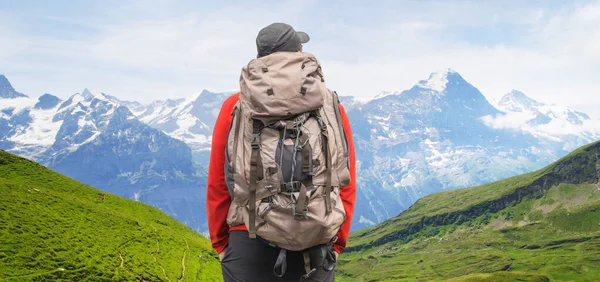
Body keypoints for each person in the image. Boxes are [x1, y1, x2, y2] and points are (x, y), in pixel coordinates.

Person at [207, 22, 356, 282]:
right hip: (317, 237)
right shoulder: (329, 103)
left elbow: (220, 181)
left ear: (259, 58)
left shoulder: (235, 106)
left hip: (249, 238)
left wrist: (221, 243)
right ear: (299, 52)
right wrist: (338, 242)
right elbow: (345, 176)